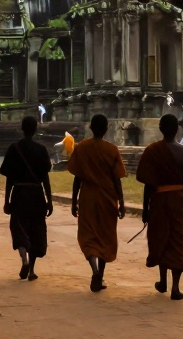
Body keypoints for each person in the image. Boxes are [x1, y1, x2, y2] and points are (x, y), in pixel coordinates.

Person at [137, 114, 183, 301]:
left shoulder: (152, 151)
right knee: (178, 241)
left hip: (159, 201)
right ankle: (175, 288)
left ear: (161, 129)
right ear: (177, 129)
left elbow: (148, 184)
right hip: (180, 202)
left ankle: (163, 281)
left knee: (161, 238)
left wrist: (145, 209)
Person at [67, 114, 126, 292]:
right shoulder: (112, 149)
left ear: (91, 128)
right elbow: (117, 179)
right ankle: (99, 275)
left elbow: (78, 177)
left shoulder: (82, 148)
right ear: (106, 129)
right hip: (108, 198)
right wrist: (122, 201)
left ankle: (94, 271)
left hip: (88, 197)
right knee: (105, 236)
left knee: (89, 236)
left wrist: (74, 200)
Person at [0, 117, 53, 280]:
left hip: (20, 193)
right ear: (35, 129)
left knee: (19, 228)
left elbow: (9, 178)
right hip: (36, 194)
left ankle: (24, 260)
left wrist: (6, 199)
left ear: (21, 129)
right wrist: (49, 199)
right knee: (35, 230)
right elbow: (45, 177)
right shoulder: (41, 149)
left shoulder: (14, 148)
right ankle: (32, 271)